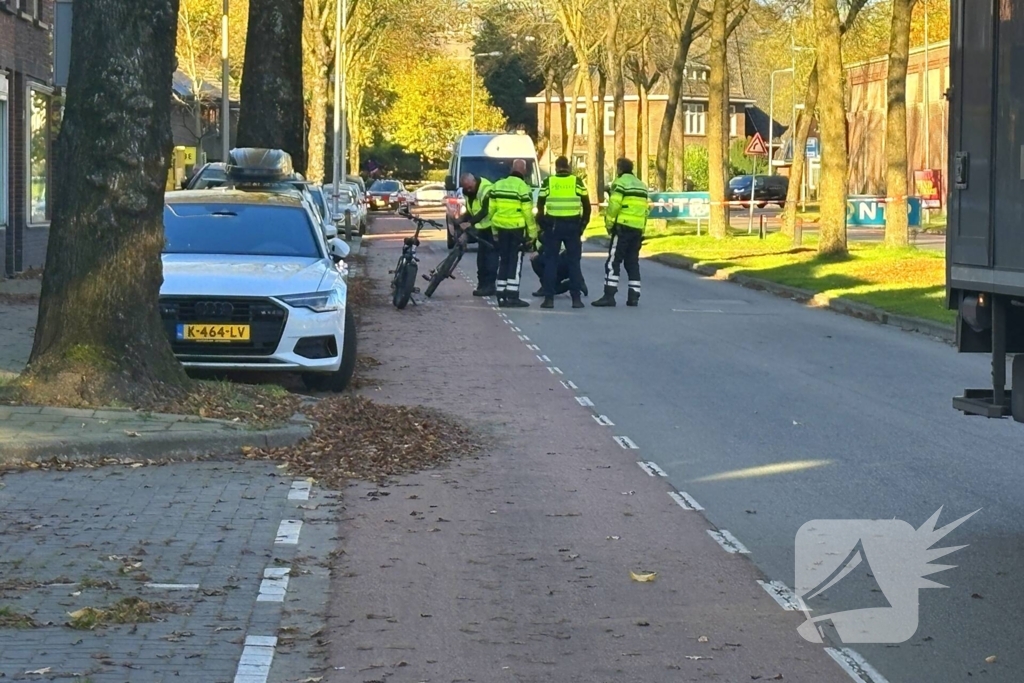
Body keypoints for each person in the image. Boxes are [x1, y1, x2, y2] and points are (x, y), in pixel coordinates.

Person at [593, 158, 649, 308]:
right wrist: (642, 229)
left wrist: (609, 224)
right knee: (632, 262)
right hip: (637, 229)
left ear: (619, 169)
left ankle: (609, 295)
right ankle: (634, 296)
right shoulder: (642, 186)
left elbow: (614, 206)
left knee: (613, 261)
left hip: (622, 228)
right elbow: (645, 211)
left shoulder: (620, 183)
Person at [535, 156, 590, 309]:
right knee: (574, 263)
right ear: (568, 167)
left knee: (551, 262)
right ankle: (576, 300)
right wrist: (582, 226)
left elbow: (539, 207)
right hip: (573, 226)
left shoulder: (549, 182)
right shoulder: (577, 182)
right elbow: (587, 206)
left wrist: (544, 224)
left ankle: (549, 299)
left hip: (553, 226)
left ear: (556, 167)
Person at [487, 159, 538, 308]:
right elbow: (528, 213)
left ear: (512, 169)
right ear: (523, 171)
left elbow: (491, 211)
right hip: (517, 229)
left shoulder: (497, 185)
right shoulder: (523, 188)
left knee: (503, 260)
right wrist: (532, 234)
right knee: (515, 262)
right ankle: (512, 295)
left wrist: (494, 231)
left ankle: (501, 294)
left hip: (501, 228)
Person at [450, 173, 497, 296]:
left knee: (490, 258)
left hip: (492, 228)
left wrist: (470, 223)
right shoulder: (468, 192)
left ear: (474, 181)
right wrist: (461, 220)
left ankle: (490, 286)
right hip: (481, 228)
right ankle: (482, 285)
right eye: (466, 188)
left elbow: (486, 211)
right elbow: (471, 210)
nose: (468, 190)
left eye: (470, 187)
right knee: (481, 258)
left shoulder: (487, 189)